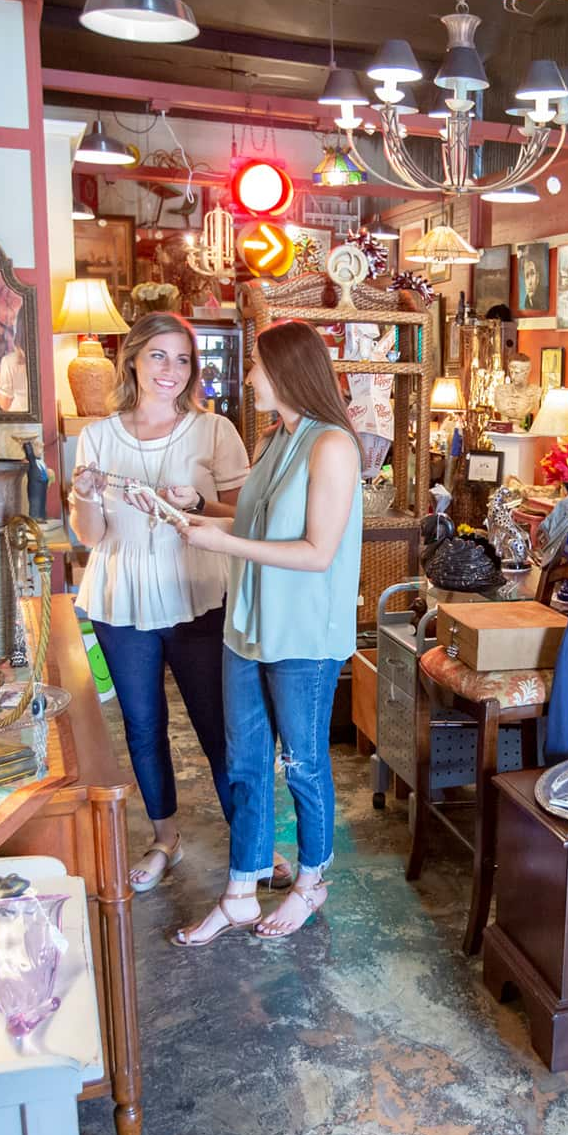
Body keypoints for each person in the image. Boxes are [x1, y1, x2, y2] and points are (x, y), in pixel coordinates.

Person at [171, 320, 363, 943]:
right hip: (248, 624)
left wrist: (222, 541)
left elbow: (315, 551)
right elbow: (257, 517)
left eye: (255, 366)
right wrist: (199, 509)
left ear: (285, 372)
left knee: (303, 764)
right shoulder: (278, 437)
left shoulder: (331, 445)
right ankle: (240, 892)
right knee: (245, 763)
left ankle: (311, 883)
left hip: (302, 635)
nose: (248, 376)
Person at [69, 312, 253, 893]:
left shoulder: (214, 431)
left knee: (218, 723)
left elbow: (245, 517)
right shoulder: (97, 437)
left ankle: (249, 846)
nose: (171, 370)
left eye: (182, 359)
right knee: (143, 725)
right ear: (132, 360)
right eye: (158, 356)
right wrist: (82, 496)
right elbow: (91, 536)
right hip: (119, 595)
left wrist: (196, 499)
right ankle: (164, 838)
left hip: (196, 591)